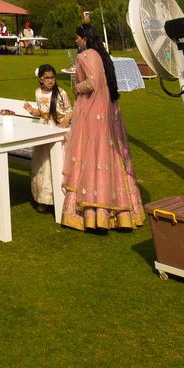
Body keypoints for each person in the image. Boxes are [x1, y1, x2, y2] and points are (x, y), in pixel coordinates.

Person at [60, 24, 144, 233]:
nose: (76, 42)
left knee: (91, 156)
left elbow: (91, 83)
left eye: (77, 38)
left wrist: (75, 87)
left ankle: (93, 215)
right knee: (111, 157)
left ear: (85, 39)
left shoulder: (86, 55)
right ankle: (123, 215)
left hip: (92, 111)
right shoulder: (102, 55)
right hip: (108, 110)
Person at [25, 64, 72, 211]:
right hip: (44, 133)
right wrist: (32, 111)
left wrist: (65, 120)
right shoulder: (38, 93)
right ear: (41, 79)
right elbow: (41, 112)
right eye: (47, 78)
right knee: (43, 166)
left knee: (58, 165)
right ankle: (44, 199)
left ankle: (63, 197)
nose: (50, 81)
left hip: (59, 132)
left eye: (52, 78)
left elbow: (70, 110)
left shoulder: (61, 93)